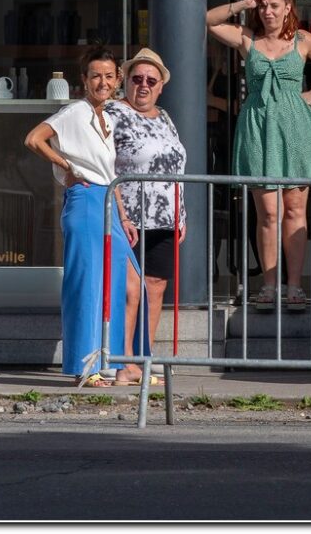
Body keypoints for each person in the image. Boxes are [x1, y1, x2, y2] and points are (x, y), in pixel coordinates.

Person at [206, 0, 311, 309]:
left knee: (295, 210)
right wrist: (242, 4)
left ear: (288, 8)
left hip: (296, 128)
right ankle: (269, 285)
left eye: (274, 5)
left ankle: (294, 286)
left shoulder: (302, 40)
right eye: (263, 6)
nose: (267, 11)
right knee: (269, 213)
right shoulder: (247, 38)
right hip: (259, 127)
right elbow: (208, 21)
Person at [24, 47, 141, 387]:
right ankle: (85, 367)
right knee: (88, 286)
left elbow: (109, 173)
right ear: (84, 80)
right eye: (95, 76)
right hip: (85, 201)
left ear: (117, 80)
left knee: (129, 284)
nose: (102, 82)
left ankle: (118, 362)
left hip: (107, 202)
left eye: (108, 76)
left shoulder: (107, 118)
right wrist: (67, 167)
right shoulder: (75, 111)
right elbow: (34, 139)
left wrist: (124, 216)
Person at [106, 47, 186, 385]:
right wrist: (118, 211)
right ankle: (123, 361)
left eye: (151, 80)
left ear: (161, 86)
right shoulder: (114, 112)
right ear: (126, 81)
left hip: (164, 217)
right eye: (137, 78)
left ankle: (144, 356)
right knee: (130, 290)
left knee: (155, 287)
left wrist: (182, 214)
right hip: (128, 217)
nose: (143, 85)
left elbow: (177, 168)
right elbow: (102, 161)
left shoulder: (164, 117)